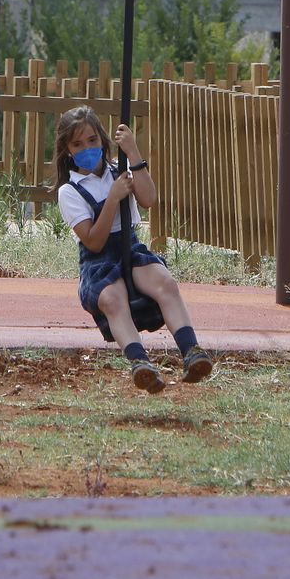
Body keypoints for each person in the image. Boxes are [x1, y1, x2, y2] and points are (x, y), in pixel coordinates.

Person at [54, 106, 212, 393]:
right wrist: (113, 199)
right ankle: (141, 363)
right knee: (113, 299)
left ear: (103, 139)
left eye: (92, 140)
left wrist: (134, 154)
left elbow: (149, 199)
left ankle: (191, 351)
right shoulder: (69, 192)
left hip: (130, 246)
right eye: (77, 144)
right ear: (67, 150)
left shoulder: (121, 168)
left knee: (165, 283)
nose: (87, 149)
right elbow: (93, 241)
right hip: (98, 261)